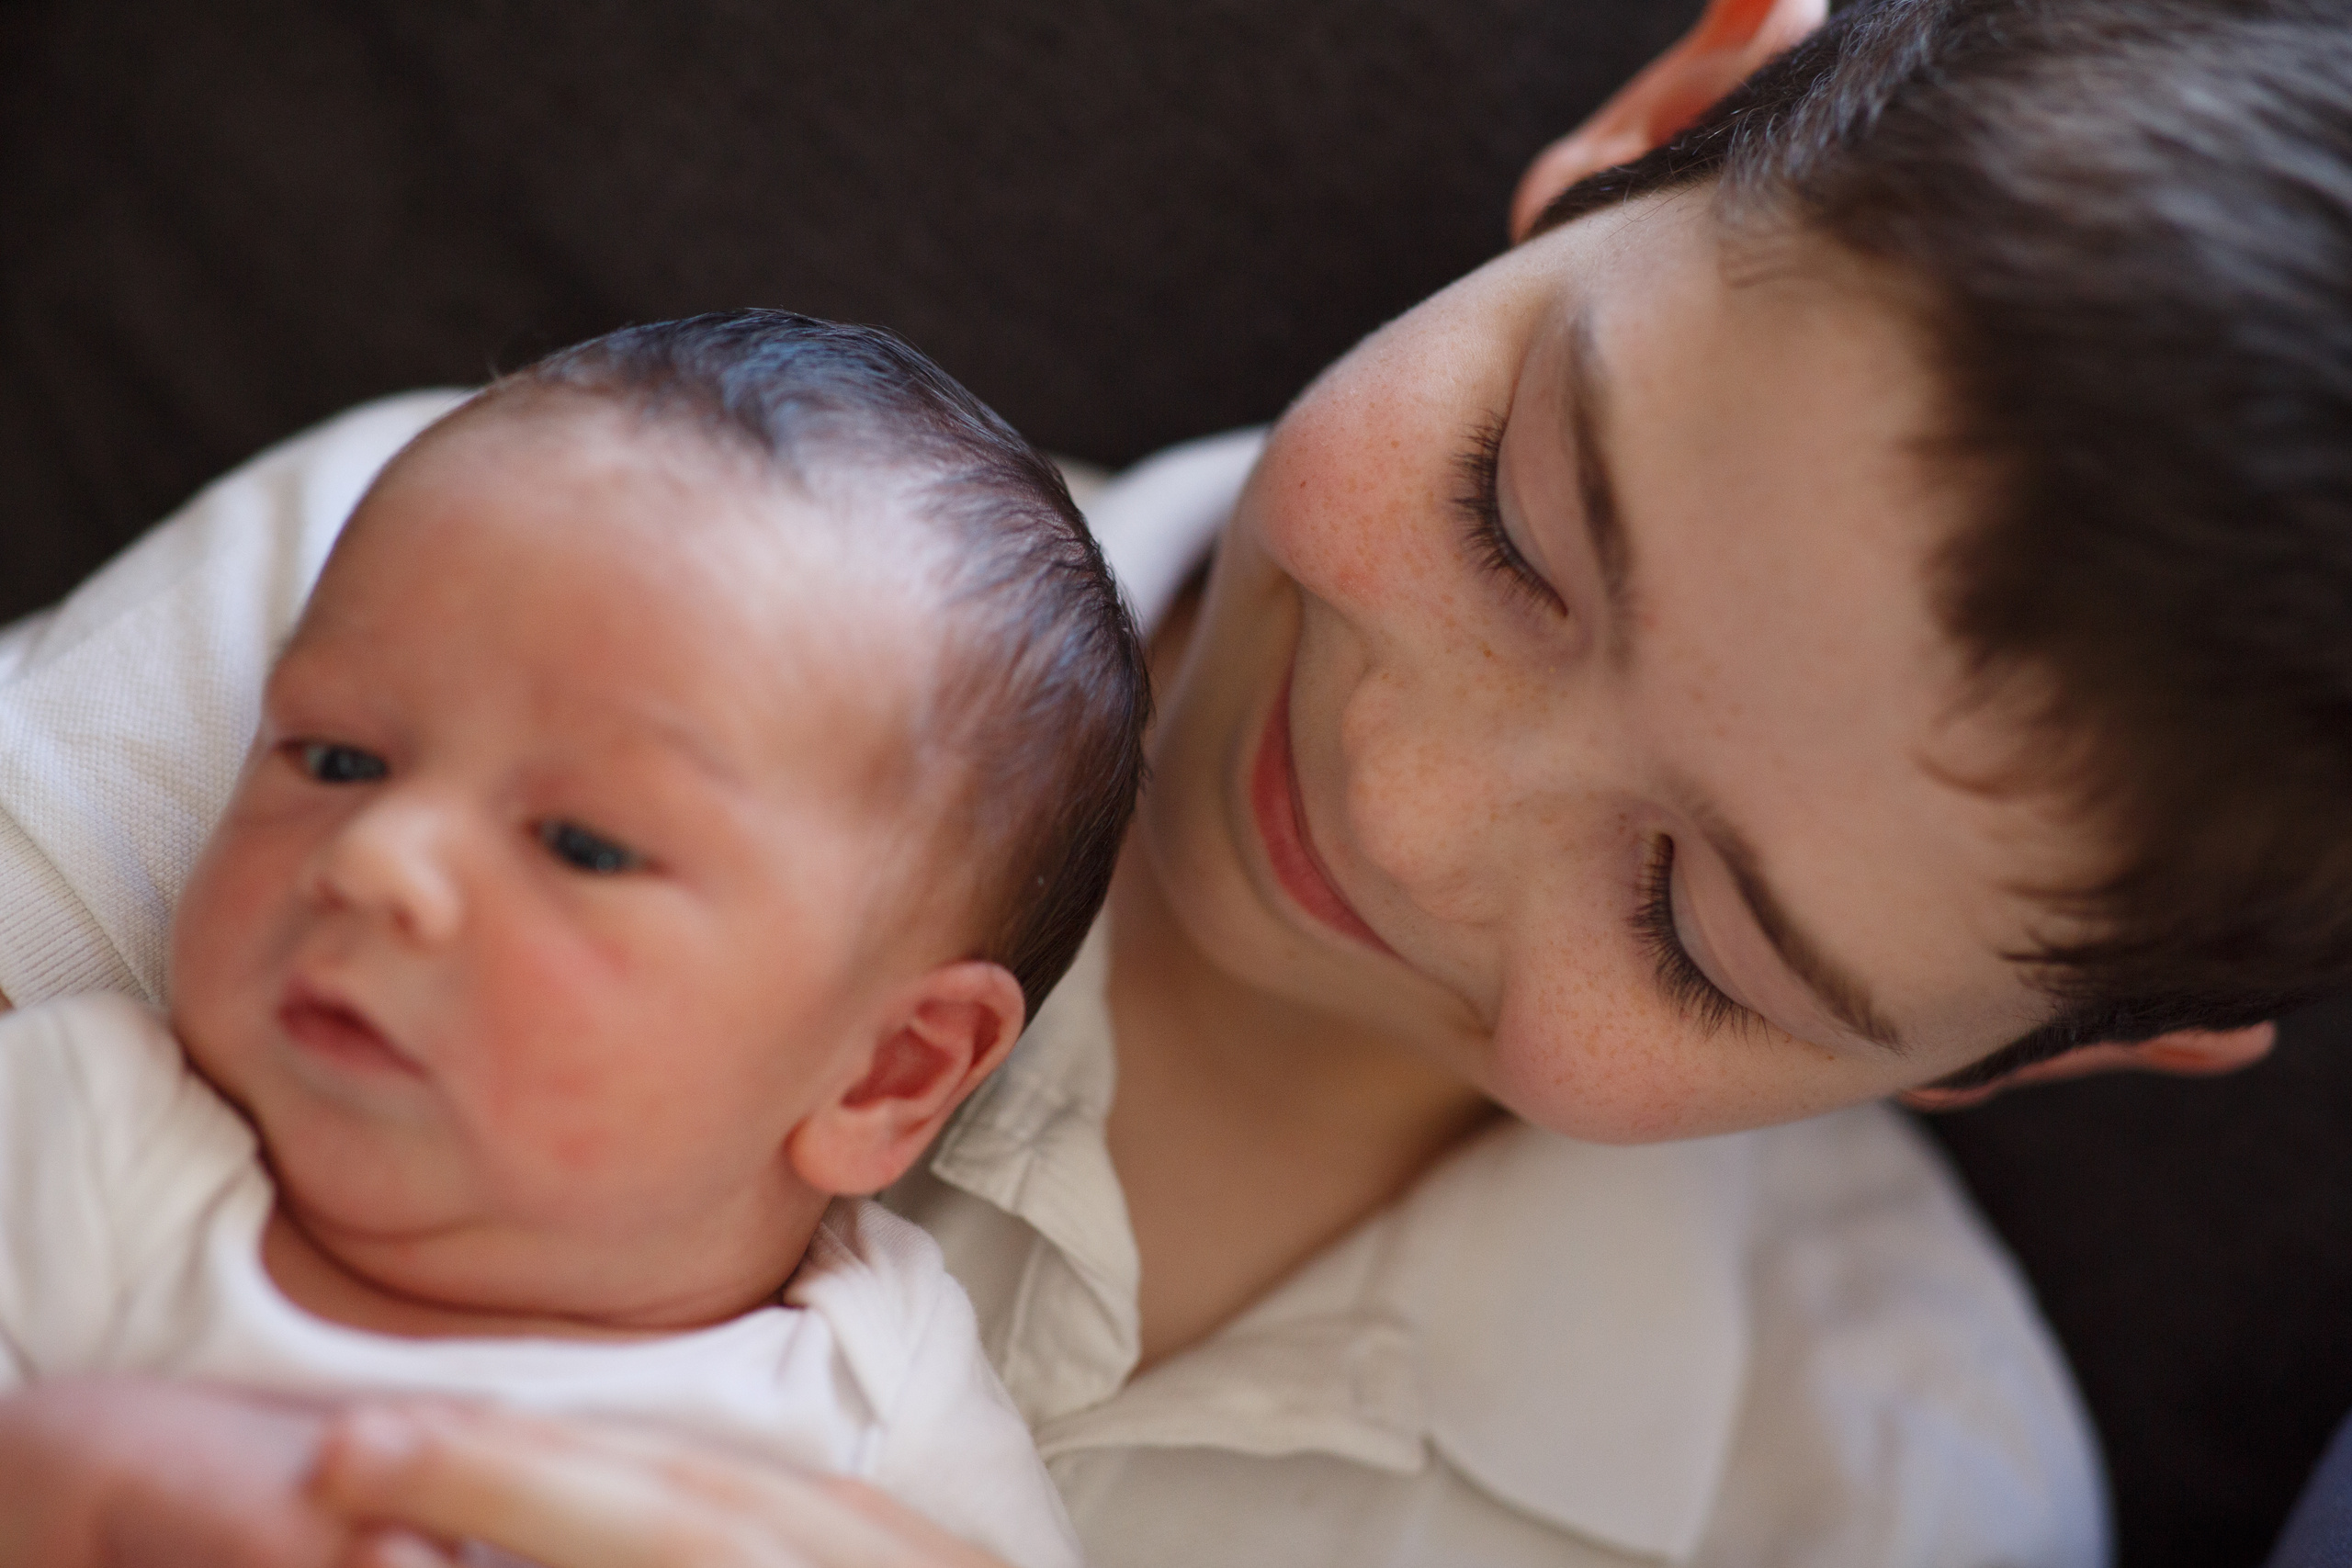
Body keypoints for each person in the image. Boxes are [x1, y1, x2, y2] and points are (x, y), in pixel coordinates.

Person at [6, 0, 2349, 1561]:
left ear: (2089, 1043)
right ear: (1657, 113)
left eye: (1694, 929)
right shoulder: (485, 616)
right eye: (1511, 522)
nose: (1405, 804)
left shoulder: (1874, 1500)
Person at [0, 309, 1153, 1568]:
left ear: (892, 1072)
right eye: (333, 758)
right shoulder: (87, 1147)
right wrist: (89, 1490)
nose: (374, 859)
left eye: (584, 847)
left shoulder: (885, 1424)